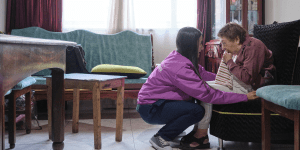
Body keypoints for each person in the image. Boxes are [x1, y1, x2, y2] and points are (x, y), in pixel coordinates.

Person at [136, 26, 258, 150]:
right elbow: (209, 95)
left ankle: (173, 133)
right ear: (191, 45)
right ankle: (161, 137)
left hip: (155, 103)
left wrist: (226, 80)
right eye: (200, 43)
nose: (202, 47)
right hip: (151, 108)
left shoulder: (179, 57)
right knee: (197, 111)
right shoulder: (180, 68)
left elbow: (204, 75)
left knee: (191, 100)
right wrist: (244, 97)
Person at [180, 23, 276, 149]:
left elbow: (247, 78)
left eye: (224, 43)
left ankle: (201, 134)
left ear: (236, 39)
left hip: (253, 87)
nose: (223, 47)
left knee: (205, 90)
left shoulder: (254, 46)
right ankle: (198, 131)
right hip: (240, 83)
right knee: (201, 87)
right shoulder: (241, 47)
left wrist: (229, 62)